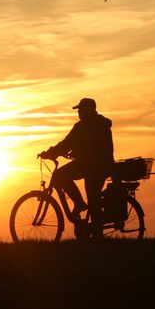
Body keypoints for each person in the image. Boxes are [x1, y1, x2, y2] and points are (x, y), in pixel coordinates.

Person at [38, 98, 113, 238]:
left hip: (90, 164)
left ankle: (79, 204)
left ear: (86, 110)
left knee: (60, 176)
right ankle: (97, 234)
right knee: (93, 196)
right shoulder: (102, 124)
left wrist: (50, 153)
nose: (78, 112)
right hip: (104, 165)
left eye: (80, 109)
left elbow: (67, 143)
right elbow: (83, 145)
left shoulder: (84, 126)